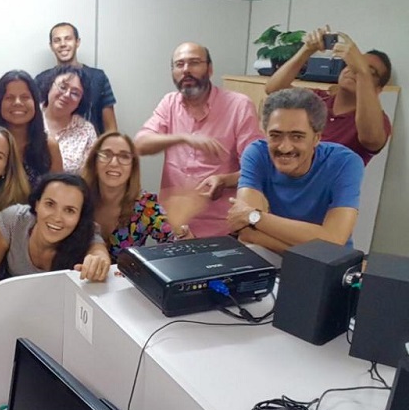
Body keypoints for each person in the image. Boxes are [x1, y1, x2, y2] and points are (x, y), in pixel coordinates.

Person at [133, 42, 264, 238]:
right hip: (174, 225)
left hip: (221, 228)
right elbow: (140, 144)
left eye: (194, 63)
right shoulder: (169, 103)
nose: (186, 70)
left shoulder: (239, 105)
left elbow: (257, 169)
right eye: (179, 64)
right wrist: (182, 138)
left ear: (210, 69)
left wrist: (224, 180)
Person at [228, 88, 364, 253]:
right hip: (273, 256)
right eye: (275, 135)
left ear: (316, 138)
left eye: (297, 136)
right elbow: (247, 232)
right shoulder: (257, 153)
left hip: (328, 265)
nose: (284, 147)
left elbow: (334, 240)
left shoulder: (345, 162)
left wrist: (255, 217)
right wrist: (315, 249)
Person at [264, 27, 392, 166]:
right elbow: (274, 90)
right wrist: (306, 50)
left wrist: (362, 72)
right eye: (354, 63)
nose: (354, 70)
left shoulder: (377, 120)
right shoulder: (317, 99)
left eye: (370, 72)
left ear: (378, 89)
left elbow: (371, 139)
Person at [81, 132, 198, 263]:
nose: (114, 163)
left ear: (133, 166)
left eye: (124, 156)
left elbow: (181, 246)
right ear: (94, 161)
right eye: (106, 155)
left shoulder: (145, 205)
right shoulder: (78, 198)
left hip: (126, 276)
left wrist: (182, 233)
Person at [0, 173, 111, 288]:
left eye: (69, 210)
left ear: (80, 217)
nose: (57, 218)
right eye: (50, 204)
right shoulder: (12, 221)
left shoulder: (86, 231)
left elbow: (98, 252)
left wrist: (98, 261)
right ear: (37, 204)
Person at [35, 22, 117, 135]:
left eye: (68, 39)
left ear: (77, 42)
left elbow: (110, 128)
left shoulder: (98, 78)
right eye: (57, 40)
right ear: (51, 46)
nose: (63, 44)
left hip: (91, 144)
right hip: (49, 143)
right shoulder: (41, 80)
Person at [0, 70, 63, 187]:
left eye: (25, 97)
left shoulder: (49, 146)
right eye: (9, 97)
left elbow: (58, 192)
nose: (17, 102)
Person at [41, 65, 97, 173]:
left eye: (75, 93)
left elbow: (91, 174)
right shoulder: (30, 116)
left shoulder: (86, 130)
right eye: (63, 87)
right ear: (50, 85)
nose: (67, 95)